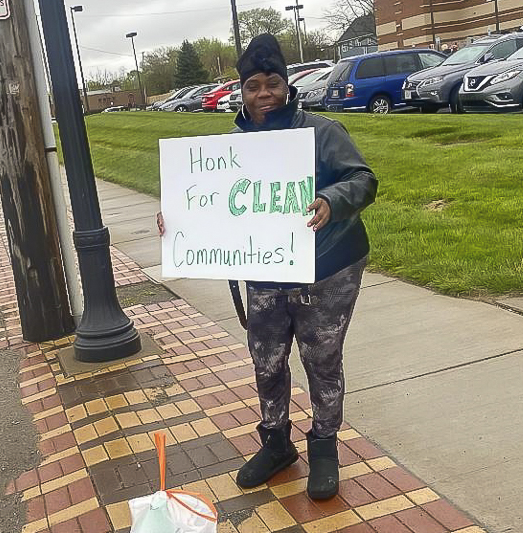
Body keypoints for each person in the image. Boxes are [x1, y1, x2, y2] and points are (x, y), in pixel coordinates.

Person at [157, 33, 378, 500]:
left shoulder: (321, 132)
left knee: (321, 360)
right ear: (241, 90)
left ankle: (323, 446)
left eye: (272, 83)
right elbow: (213, 203)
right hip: (266, 269)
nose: (263, 95)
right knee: (267, 359)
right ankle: (276, 443)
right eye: (253, 85)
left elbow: (363, 178)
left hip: (328, 265)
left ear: (287, 85)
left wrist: (330, 200)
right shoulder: (232, 147)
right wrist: (178, 217)